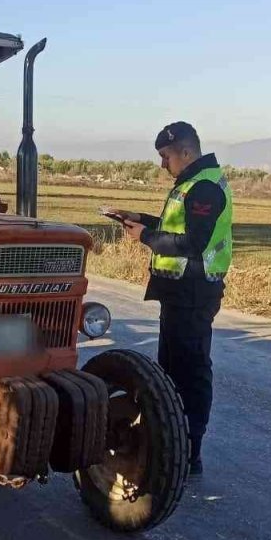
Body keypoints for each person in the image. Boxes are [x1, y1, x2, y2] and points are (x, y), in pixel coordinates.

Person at [102, 121, 233, 476]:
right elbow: (173, 226)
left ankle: (189, 451)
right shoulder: (192, 183)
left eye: (165, 157)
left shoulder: (204, 188)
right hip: (178, 292)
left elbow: (192, 243)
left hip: (194, 292)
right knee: (171, 370)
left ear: (186, 152)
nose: (162, 165)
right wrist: (138, 219)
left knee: (190, 372)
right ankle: (171, 443)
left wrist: (145, 236)